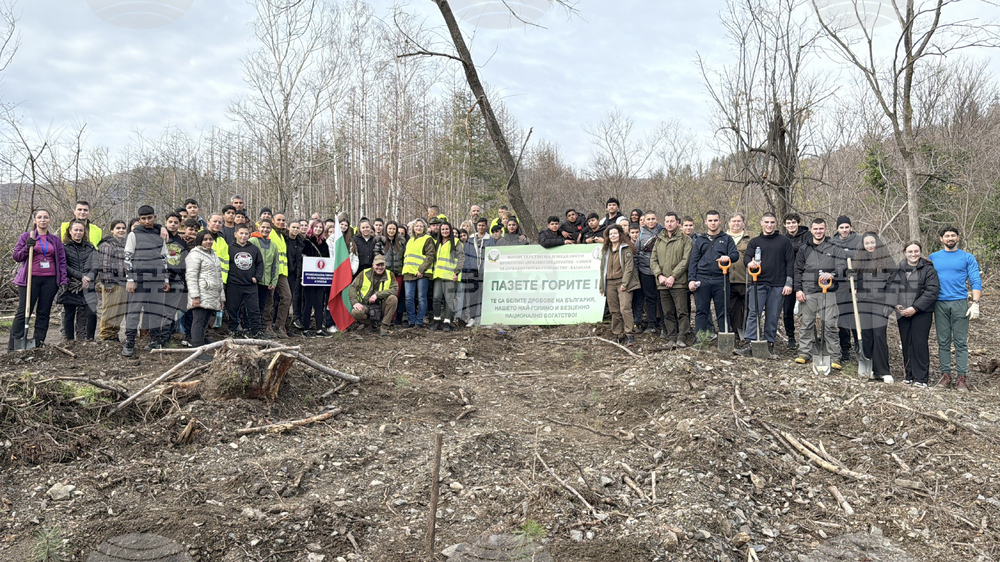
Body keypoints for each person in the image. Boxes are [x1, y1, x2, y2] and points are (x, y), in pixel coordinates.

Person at [929, 226, 982, 391]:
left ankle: (961, 377)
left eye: (953, 235)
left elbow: (975, 279)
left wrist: (975, 303)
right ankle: (945, 375)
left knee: (960, 342)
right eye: (947, 236)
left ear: (958, 238)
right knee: (943, 341)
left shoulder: (967, 257)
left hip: (960, 303)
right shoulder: (933, 258)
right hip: (940, 303)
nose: (950, 238)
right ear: (941, 239)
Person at [793, 218, 848, 370]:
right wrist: (798, 289)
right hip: (808, 291)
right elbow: (797, 270)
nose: (818, 231)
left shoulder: (834, 247)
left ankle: (835, 356)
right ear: (811, 230)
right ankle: (804, 353)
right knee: (806, 324)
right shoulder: (804, 249)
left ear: (825, 229)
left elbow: (842, 267)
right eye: (815, 229)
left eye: (821, 229)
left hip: (828, 292)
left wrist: (832, 274)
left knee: (829, 324)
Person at [8, 210, 67, 350]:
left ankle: (37, 344)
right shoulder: (26, 236)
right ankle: (13, 346)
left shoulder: (55, 240)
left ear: (50, 220)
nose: (43, 220)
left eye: (46, 217)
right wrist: (27, 247)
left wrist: (63, 280)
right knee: (23, 311)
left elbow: (62, 261)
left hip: (50, 280)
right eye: (39, 217)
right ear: (35, 220)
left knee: (43, 312)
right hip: (30, 279)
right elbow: (16, 257)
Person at [738, 213, 794, 358]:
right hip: (758, 283)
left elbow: (790, 263)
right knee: (753, 313)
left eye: (772, 222)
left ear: (776, 224)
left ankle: (769, 343)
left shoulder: (784, 241)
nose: (769, 225)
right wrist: (749, 263)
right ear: (761, 223)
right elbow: (746, 257)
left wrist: (788, 283)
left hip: (778, 284)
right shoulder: (755, 242)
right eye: (766, 222)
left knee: (773, 315)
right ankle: (750, 343)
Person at [887, 241, 939, 387]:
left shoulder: (928, 269)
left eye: (916, 251)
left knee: (919, 342)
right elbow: (891, 286)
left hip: (921, 312)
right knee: (906, 342)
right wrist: (895, 304)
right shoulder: (900, 268)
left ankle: (921, 378)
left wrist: (915, 308)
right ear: (905, 253)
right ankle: (908, 375)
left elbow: (931, 291)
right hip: (903, 312)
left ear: (920, 252)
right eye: (910, 252)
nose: (913, 254)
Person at [122, 206, 170, 356]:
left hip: (157, 279)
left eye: (150, 218)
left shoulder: (160, 235)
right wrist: (130, 279)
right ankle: (129, 341)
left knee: (156, 311)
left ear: (155, 217)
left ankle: (154, 340)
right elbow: (127, 257)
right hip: (139, 279)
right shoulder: (133, 235)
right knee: (134, 311)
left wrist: (165, 278)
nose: (147, 221)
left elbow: (164, 258)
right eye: (143, 218)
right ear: (139, 219)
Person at [852, 232, 896, 382]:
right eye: (867, 243)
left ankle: (883, 370)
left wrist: (889, 302)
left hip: (880, 302)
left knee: (879, 335)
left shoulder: (886, 260)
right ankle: (870, 368)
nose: (870, 246)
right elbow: (853, 281)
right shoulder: (859, 261)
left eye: (872, 242)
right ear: (863, 246)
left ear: (877, 243)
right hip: (863, 302)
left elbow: (893, 282)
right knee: (866, 335)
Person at [688, 210, 739, 338]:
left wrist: (727, 257)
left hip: (720, 279)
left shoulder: (727, 239)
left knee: (723, 311)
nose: (713, 223)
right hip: (702, 279)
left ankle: (725, 338)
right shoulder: (700, 240)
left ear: (720, 221)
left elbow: (735, 255)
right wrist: (691, 279)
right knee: (701, 311)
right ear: (706, 222)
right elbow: (693, 261)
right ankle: (700, 339)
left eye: (715, 220)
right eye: (710, 220)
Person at [650, 212, 692, 347]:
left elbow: (686, 261)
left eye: (672, 221)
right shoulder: (659, 239)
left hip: (679, 283)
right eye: (667, 221)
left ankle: (682, 338)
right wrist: (659, 275)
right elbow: (653, 260)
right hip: (662, 283)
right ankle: (671, 337)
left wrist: (673, 276)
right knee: (667, 312)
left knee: (682, 311)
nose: (669, 224)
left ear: (678, 223)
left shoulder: (685, 239)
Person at [58, 220, 99, 342]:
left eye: (81, 230)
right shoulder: (64, 248)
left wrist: (89, 278)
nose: (78, 233)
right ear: (70, 231)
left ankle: (90, 339)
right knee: (69, 314)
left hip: (88, 285)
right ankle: (70, 341)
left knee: (91, 313)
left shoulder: (91, 248)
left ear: (84, 232)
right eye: (75, 230)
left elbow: (96, 265)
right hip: (71, 285)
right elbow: (63, 266)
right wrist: (81, 276)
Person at [600, 224, 639, 347]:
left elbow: (629, 267)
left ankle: (629, 334)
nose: (613, 236)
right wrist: (602, 286)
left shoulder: (626, 248)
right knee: (614, 310)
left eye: (615, 233)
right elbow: (602, 269)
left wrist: (625, 283)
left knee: (625, 308)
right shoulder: (606, 250)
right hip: (610, 283)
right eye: (610, 234)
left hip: (623, 282)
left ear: (620, 234)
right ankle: (618, 334)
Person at [185, 230, 225, 349]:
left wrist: (221, 298)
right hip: (201, 294)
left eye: (210, 239)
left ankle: (201, 344)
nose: (208, 242)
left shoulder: (213, 255)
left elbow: (219, 278)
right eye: (205, 239)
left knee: (204, 321)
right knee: (198, 321)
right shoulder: (194, 254)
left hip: (212, 294)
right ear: (199, 241)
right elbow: (191, 277)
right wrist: (195, 297)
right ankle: (196, 348)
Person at [830, 215, 861, 363]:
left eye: (846, 227)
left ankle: (860, 346)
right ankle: (845, 348)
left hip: (855, 284)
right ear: (837, 228)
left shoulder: (858, 241)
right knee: (843, 317)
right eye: (841, 227)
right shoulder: (832, 242)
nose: (844, 230)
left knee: (856, 316)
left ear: (850, 227)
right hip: (841, 285)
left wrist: (857, 283)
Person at [226, 224, 265, 338]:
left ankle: (256, 331)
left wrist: (257, 277)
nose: (243, 236)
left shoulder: (254, 249)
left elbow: (260, 264)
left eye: (246, 234)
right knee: (233, 309)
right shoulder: (229, 248)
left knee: (254, 309)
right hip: (234, 284)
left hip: (250, 284)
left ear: (249, 235)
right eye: (241, 233)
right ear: (235, 234)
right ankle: (233, 331)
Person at [349, 255, 399, 336]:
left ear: (385, 265)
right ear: (373, 265)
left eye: (382, 265)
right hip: (366, 305)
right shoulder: (364, 273)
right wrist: (355, 302)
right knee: (355, 312)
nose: (379, 267)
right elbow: (353, 288)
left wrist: (377, 295)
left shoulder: (390, 274)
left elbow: (395, 290)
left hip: (382, 305)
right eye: (377, 265)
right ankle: (368, 325)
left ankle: (384, 326)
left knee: (393, 299)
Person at [96, 220, 129, 342]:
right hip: (112, 282)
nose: (121, 230)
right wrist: (107, 282)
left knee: (119, 310)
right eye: (118, 228)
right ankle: (106, 335)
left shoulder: (125, 244)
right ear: (112, 230)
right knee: (110, 309)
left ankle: (114, 334)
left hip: (123, 282)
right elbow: (104, 265)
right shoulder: (107, 244)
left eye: (123, 228)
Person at [430, 222, 465, 331]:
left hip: (451, 276)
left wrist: (456, 272)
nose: (445, 231)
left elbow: (461, 259)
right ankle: (437, 320)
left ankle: (447, 322)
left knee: (449, 300)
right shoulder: (437, 243)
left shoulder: (457, 243)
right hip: (438, 275)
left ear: (450, 230)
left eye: (447, 229)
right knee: (436, 298)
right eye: (443, 229)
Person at [402, 218, 436, 328]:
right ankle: (411, 321)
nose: (419, 228)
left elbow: (430, 256)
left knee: (422, 297)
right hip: (408, 272)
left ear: (424, 228)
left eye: (421, 226)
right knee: (409, 298)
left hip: (422, 273)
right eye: (416, 226)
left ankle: (419, 321)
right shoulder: (410, 240)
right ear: (413, 228)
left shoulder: (427, 239)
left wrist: (421, 270)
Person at [782, 213, 808, 349]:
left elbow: (807, 249)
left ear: (798, 223)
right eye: (789, 223)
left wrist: (791, 249)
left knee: (808, 310)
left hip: (806, 276)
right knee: (787, 310)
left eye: (794, 222)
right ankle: (790, 337)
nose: (791, 225)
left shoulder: (807, 235)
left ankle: (808, 338)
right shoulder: (782, 238)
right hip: (788, 277)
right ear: (784, 225)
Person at [635, 211, 663, 334]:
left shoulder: (663, 232)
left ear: (657, 219)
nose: (651, 221)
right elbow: (636, 253)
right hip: (645, 270)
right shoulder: (641, 235)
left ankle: (664, 323)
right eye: (648, 219)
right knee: (650, 298)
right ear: (644, 221)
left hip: (661, 271)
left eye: (653, 219)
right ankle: (651, 324)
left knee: (662, 298)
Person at [250, 219, 280, 337]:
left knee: (262, 305)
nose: (265, 230)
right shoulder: (252, 241)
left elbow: (275, 265)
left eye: (268, 228)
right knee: (252, 306)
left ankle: (259, 328)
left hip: (266, 281)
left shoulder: (273, 246)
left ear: (271, 230)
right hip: (253, 280)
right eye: (263, 227)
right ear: (259, 227)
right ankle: (251, 328)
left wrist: (274, 281)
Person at [265, 213, 292, 338]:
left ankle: (280, 325)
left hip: (282, 272)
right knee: (269, 299)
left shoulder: (281, 235)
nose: (281, 222)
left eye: (283, 220)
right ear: (272, 221)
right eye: (278, 220)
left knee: (286, 297)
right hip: (270, 271)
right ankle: (267, 326)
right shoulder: (270, 233)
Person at [301, 221, 330, 337]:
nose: (318, 229)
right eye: (316, 227)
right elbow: (302, 259)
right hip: (309, 277)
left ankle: (319, 329)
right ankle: (306, 329)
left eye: (320, 227)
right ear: (312, 228)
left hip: (320, 278)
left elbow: (327, 261)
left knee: (319, 303)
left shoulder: (324, 243)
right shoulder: (306, 242)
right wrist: (302, 276)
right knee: (308, 303)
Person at [462, 218, 492, 327]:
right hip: (473, 271)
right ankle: (472, 318)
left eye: (483, 225)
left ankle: (484, 317)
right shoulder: (471, 239)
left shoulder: (490, 239)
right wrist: (468, 269)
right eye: (479, 225)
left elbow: (492, 254)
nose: (481, 227)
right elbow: (467, 255)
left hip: (485, 271)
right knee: (473, 295)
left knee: (485, 295)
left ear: (486, 226)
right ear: (477, 226)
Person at [163, 212, 189, 340]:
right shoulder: (161, 237)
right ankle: (157, 338)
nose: (173, 225)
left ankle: (166, 338)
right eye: (170, 222)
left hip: (177, 279)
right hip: (162, 277)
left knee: (171, 310)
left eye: (176, 222)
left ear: (180, 224)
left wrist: (184, 279)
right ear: (166, 222)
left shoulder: (181, 241)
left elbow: (184, 260)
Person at [727, 213, 751, 340]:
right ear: (729, 223)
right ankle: (736, 332)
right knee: (732, 309)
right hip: (728, 279)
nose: (736, 223)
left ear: (743, 223)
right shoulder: (724, 237)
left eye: (739, 221)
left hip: (746, 279)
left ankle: (749, 332)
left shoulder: (750, 237)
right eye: (733, 221)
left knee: (748, 308)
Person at [384, 220, 407, 325]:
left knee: (396, 295)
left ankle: (393, 318)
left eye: (393, 229)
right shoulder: (381, 241)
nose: (391, 231)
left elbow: (405, 257)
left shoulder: (402, 242)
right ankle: (385, 317)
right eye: (390, 229)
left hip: (398, 273)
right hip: (385, 273)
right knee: (385, 295)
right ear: (386, 229)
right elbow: (377, 256)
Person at [286, 220, 306, 331]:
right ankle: (284, 321)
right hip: (286, 271)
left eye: (297, 228)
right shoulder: (284, 240)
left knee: (296, 295)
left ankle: (295, 319)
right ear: (289, 227)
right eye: (293, 227)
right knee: (286, 297)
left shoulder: (301, 241)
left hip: (297, 272)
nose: (295, 229)